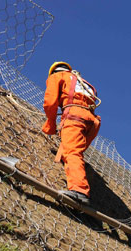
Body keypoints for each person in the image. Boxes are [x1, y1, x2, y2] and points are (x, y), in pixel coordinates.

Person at [42, 61, 101, 206]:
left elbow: (50, 102)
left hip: (74, 115)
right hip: (92, 121)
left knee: (73, 152)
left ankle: (79, 191)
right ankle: (69, 165)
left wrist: (50, 125)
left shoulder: (57, 76)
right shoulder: (83, 82)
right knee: (75, 151)